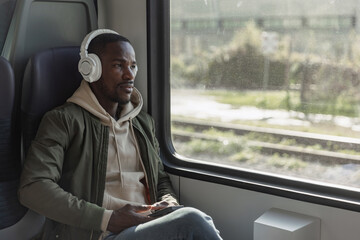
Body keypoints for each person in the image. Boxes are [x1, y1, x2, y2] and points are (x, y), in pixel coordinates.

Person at [18, 29, 222, 240]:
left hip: (144, 226)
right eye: (118, 66)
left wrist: (169, 204)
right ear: (91, 70)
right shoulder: (63, 120)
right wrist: (108, 218)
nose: (129, 75)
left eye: (132, 66)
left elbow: (159, 178)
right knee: (191, 220)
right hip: (99, 233)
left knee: (190, 218)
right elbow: (33, 187)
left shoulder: (142, 122)